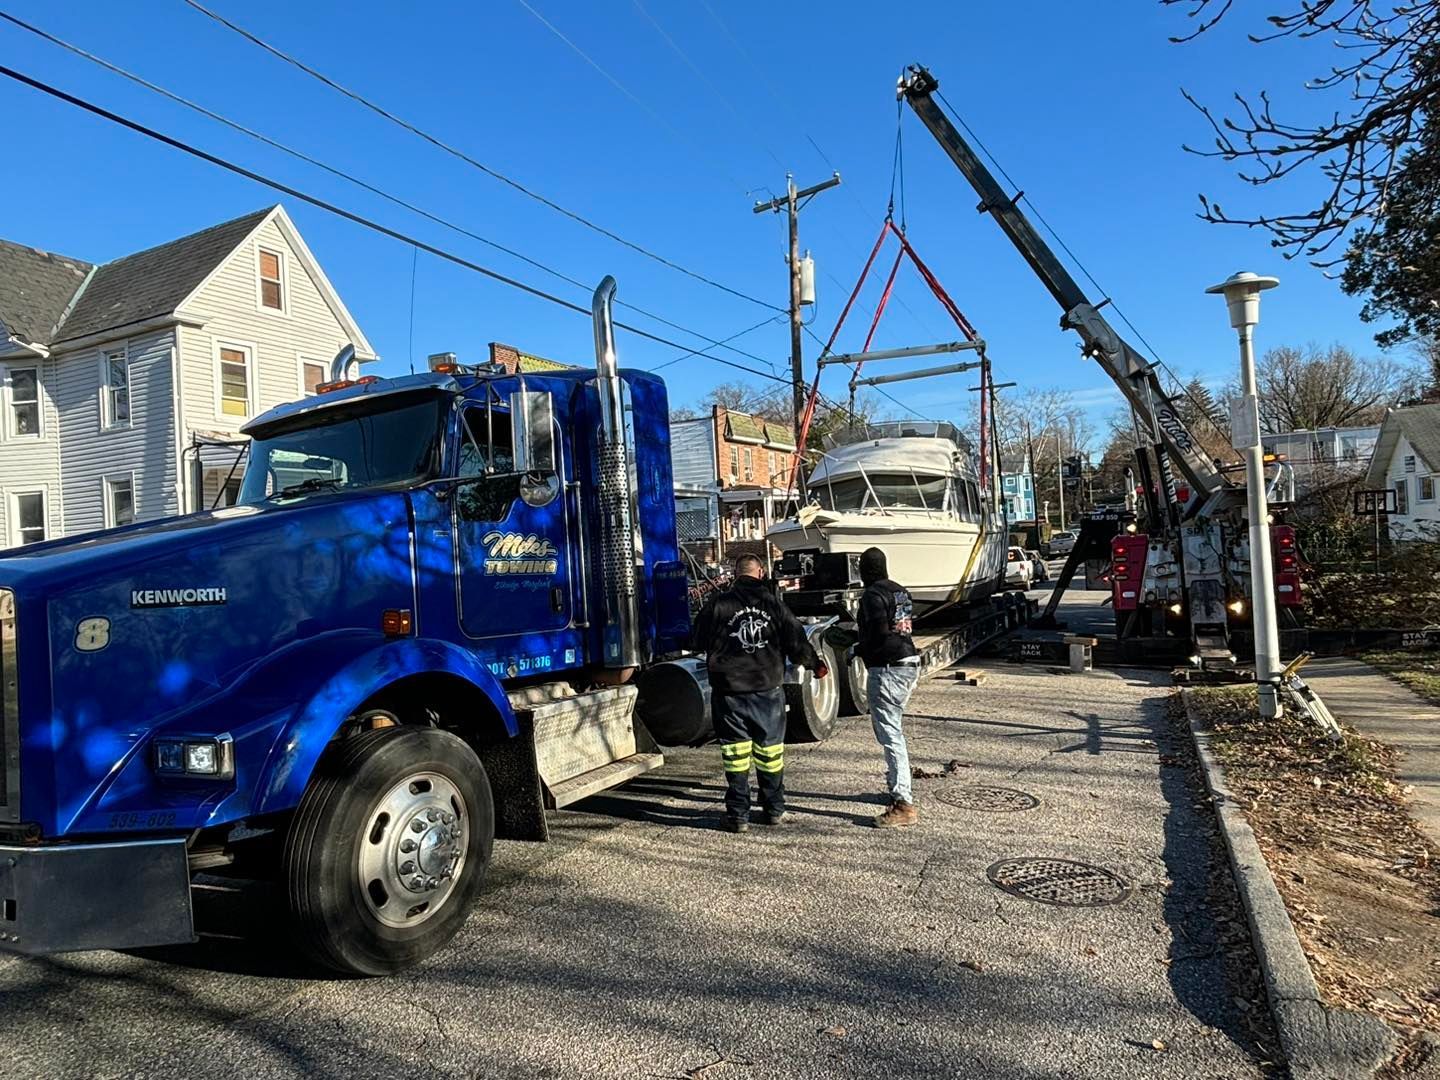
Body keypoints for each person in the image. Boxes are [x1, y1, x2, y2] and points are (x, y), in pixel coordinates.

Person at [692, 553, 828, 832]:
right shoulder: (774, 606)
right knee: (770, 751)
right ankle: (774, 809)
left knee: (735, 753)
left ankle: (738, 815)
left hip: (729, 691)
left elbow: (696, 639)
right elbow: (796, 642)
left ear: (735, 574)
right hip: (766, 690)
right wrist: (816, 665)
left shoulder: (718, 604)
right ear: (761, 572)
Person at [856, 547, 921, 827]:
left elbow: (879, 633)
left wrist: (856, 646)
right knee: (894, 730)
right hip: (909, 661)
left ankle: (903, 803)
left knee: (891, 734)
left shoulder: (872, 596)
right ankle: (898, 785)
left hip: (888, 668)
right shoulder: (900, 590)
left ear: (865, 571)